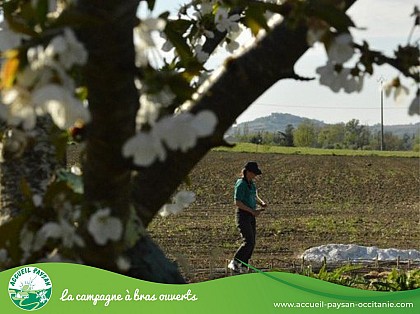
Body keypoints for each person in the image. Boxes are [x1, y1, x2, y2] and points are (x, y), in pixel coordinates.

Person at [228, 161, 267, 273]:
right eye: (254, 173)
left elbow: (254, 196)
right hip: (243, 215)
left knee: (252, 242)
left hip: (251, 216)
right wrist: (252, 211)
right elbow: (237, 202)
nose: (255, 176)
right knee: (248, 241)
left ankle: (244, 265)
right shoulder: (241, 184)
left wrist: (261, 203)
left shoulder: (251, 184)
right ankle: (234, 262)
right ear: (248, 172)